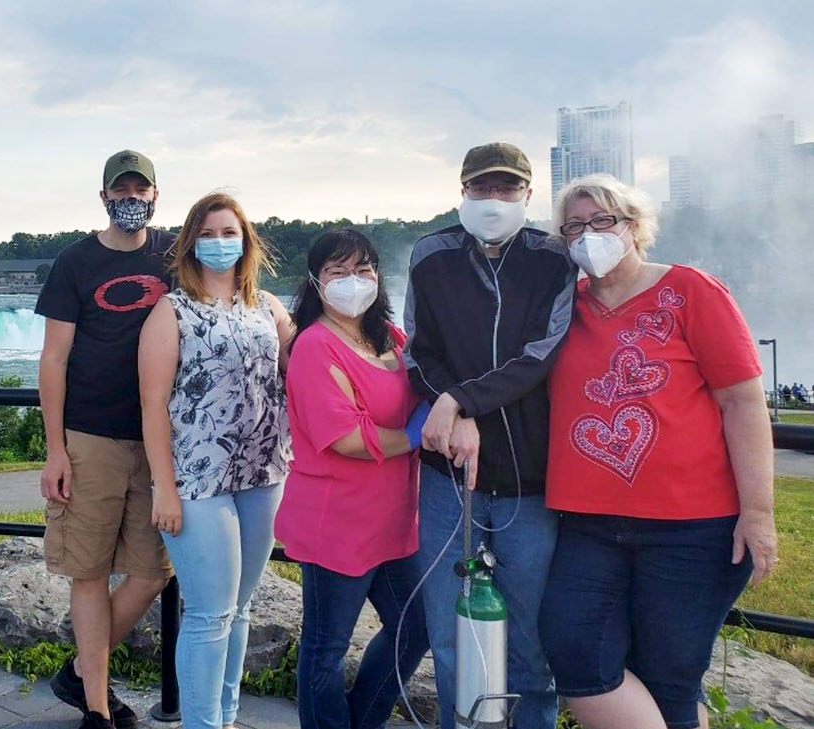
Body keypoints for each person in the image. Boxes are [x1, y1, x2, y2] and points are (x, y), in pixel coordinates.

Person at [538, 174, 778, 729]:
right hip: (588, 523)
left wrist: (758, 512)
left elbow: (742, 402)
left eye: (603, 221)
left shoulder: (691, 290)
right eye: (574, 226)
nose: (588, 235)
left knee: (671, 675)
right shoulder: (560, 308)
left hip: (694, 528)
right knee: (575, 651)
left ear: (635, 225)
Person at [403, 142, 577, 729]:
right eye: (482, 188)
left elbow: (540, 355)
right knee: (452, 636)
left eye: (507, 189)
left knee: (529, 642)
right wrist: (459, 411)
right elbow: (418, 352)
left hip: (529, 483)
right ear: (462, 191)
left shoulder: (555, 260)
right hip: (448, 477)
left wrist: (459, 399)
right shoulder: (432, 255)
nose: (494, 199)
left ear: (528, 194)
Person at [138, 192, 293, 729]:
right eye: (209, 233)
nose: (220, 243)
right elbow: (154, 405)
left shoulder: (269, 308)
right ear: (189, 243)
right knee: (209, 614)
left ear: (247, 242)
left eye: (230, 233)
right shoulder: (171, 311)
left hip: (264, 473)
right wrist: (164, 488)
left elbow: (310, 367)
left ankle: (226, 718)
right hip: (198, 480)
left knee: (241, 608)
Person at [37, 150, 176, 729]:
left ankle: (77, 670)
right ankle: (97, 707)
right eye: (121, 190)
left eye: (141, 190)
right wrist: (55, 449)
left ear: (155, 196)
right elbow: (54, 357)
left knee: (151, 573)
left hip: (158, 440)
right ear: (103, 197)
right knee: (88, 571)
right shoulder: (76, 261)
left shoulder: (174, 255)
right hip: (89, 435)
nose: (132, 199)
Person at [275, 228, 431, 729]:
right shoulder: (315, 346)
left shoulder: (394, 338)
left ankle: (363, 719)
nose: (352, 281)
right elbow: (346, 438)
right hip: (336, 524)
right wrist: (413, 435)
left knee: (415, 627)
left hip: (393, 522)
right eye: (337, 272)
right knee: (326, 648)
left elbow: (428, 385)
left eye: (363, 269)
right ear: (316, 283)